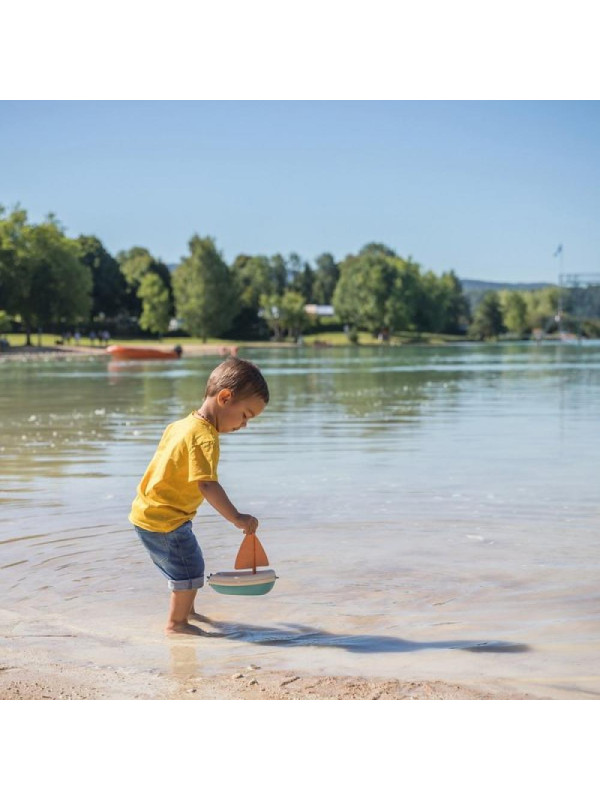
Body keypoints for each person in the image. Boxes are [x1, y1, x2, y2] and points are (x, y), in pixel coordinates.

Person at [129, 357, 269, 636]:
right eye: (246, 415)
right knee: (190, 568)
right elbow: (206, 485)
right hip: (166, 519)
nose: (244, 425)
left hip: (148, 512)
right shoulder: (205, 436)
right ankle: (176, 623)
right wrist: (237, 517)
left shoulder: (181, 425)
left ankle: (186, 611)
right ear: (225, 398)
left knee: (185, 566)